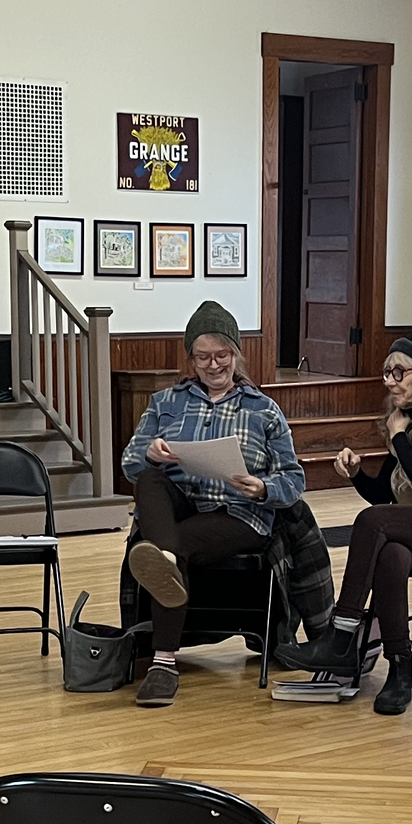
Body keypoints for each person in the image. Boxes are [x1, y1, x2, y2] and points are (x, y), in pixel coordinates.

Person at [288, 333, 412, 715]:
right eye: (386, 372)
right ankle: (400, 669)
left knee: (372, 522)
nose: (390, 380)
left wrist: (397, 436)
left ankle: (341, 635)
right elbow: (385, 495)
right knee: (392, 556)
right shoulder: (408, 422)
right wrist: (356, 474)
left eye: (400, 371)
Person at [116, 301, 306, 707]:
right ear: (191, 359)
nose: (213, 365)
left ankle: (162, 664)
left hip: (239, 513)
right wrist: (151, 452)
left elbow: (294, 478)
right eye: (202, 357)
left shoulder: (263, 409)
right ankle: (164, 557)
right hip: (182, 505)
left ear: (236, 354)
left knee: (171, 546)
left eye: (222, 355)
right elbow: (130, 466)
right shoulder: (166, 401)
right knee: (150, 480)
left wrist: (263, 487)